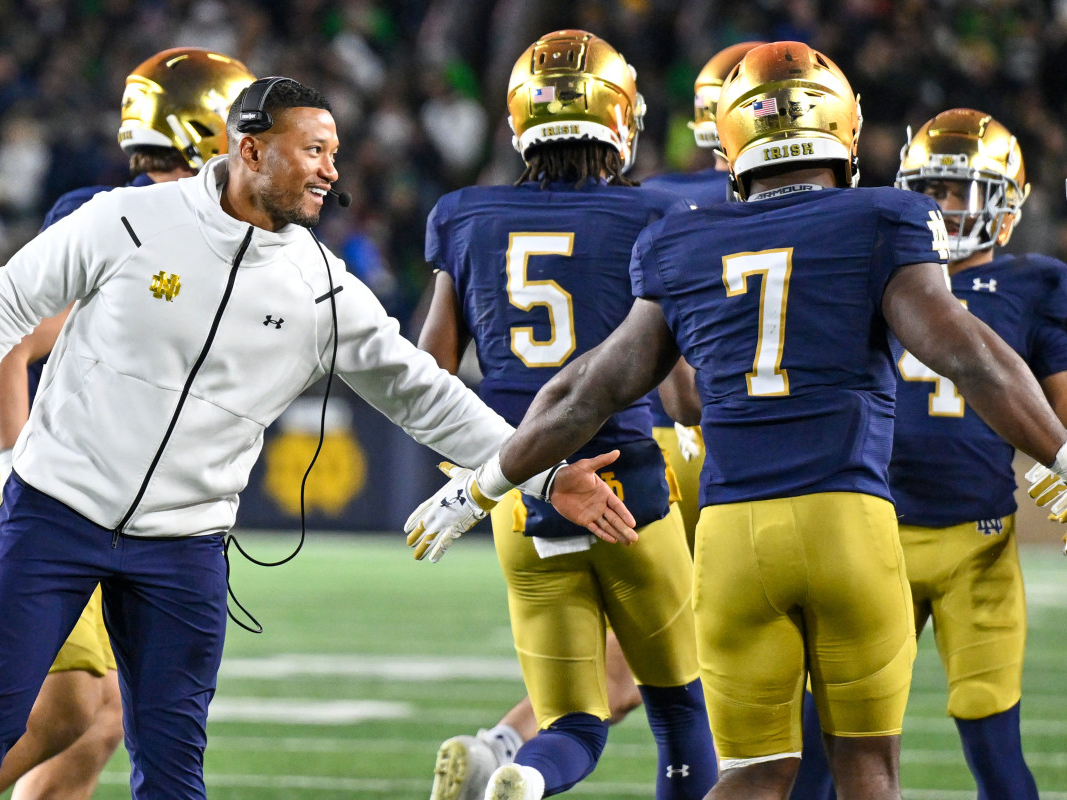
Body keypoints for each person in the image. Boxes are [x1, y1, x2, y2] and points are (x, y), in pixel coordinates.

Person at [0, 77, 634, 800]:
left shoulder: (319, 285)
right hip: (55, 511)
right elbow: (8, 299)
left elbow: (424, 393)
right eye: (313, 149)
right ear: (250, 151)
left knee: (174, 768)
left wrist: (545, 473)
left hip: (184, 546)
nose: (331, 170)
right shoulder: (129, 219)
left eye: (334, 152)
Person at [404, 41, 1067, 800]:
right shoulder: (884, 217)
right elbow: (972, 359)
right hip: (847, 521)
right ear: (843, 130)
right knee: (865, 769)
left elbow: (589, 389)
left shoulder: (682, 236)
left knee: (756, 772)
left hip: (731, 540)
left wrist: (483, 484)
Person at [0, 47, 256, 800]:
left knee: (106, 715)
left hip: (111, 499)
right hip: (35, 483)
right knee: (71, 703)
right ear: (213, 131)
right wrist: (17, 473)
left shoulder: (219, 233)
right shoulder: (114, 219)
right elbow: (11, 344)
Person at [417, 29, 716, 800]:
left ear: (520, 122)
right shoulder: (660, 214)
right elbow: (681, 395)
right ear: (621, 121)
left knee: (574, 723)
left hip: (521, 487)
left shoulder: (463, 213)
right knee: (680, 709)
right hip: (631, 482)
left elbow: (430, 373)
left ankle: (524, 775)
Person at [886, 108, 1053, 799]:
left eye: (958, 192)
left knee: (993, 744)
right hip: (873, 538)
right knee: (829, 738)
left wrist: (1061, 492)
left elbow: (1055, 424)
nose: (942, 208)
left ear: (1005, 202)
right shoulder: (877, 273)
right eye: (928, 191)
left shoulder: (1034, 285)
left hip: (977, 544)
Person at [642, 41, 762, 550]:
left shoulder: (649, 194)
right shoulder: (811, 203)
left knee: (658, 621)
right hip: (759, 428)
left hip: (659, 429)